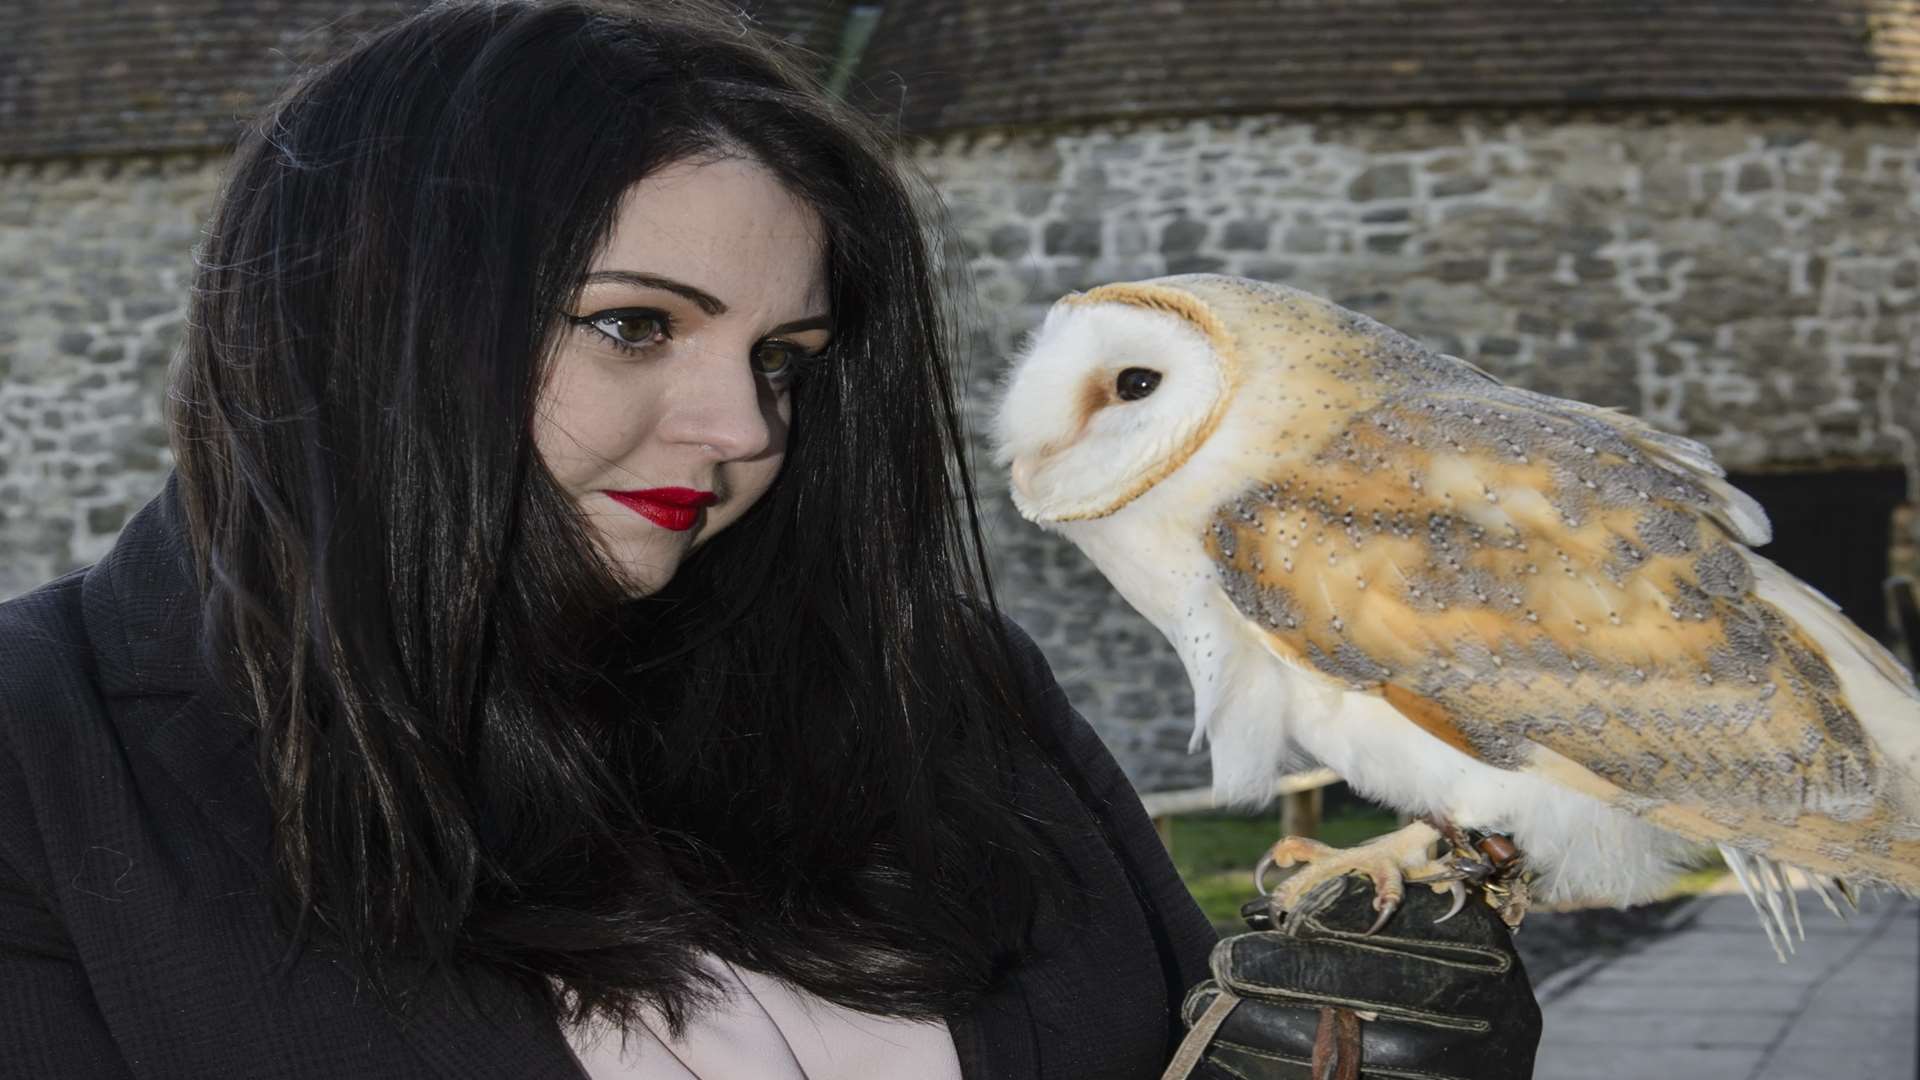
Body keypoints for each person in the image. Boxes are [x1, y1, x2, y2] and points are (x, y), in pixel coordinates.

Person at [0, 3, 1536, 1077]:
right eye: (631, 326)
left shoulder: (946, 692)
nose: (741, 427)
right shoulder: (48, 763)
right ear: (371, 323)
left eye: (784, 358)